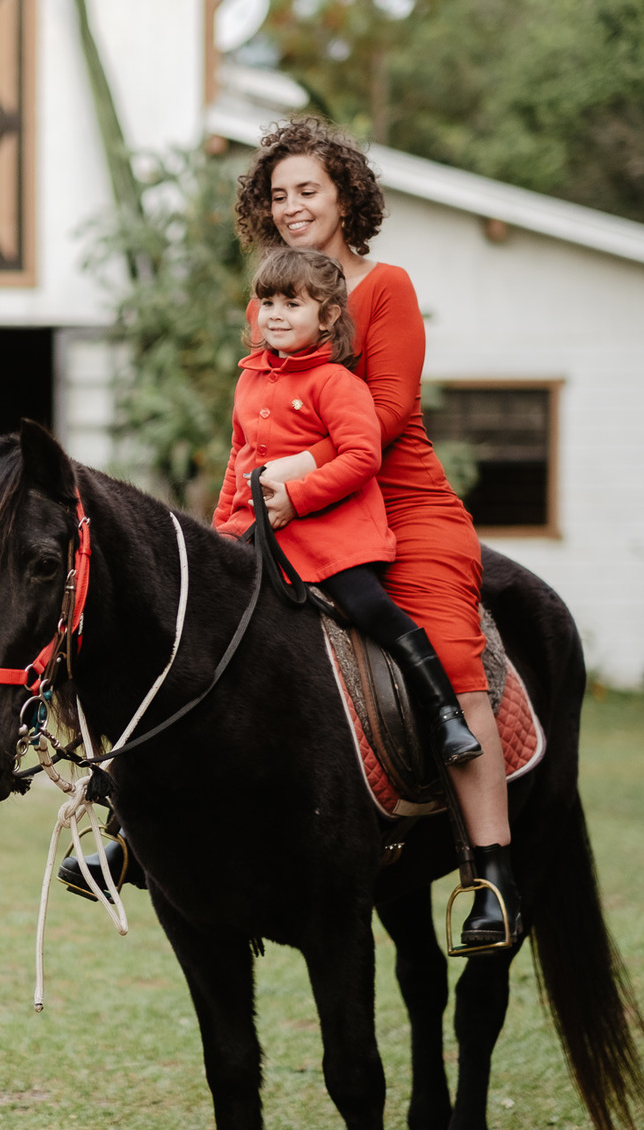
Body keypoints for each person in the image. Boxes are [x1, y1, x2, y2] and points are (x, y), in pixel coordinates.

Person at [64, 118, 520, 953]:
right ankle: (137, 829)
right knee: (185, 635)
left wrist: (295, 482)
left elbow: (383, 417)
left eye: (309, 189)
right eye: (278, 196)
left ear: (346, 196)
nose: (293, 206)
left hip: (397, 499)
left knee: (450, 653)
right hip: (281, 508)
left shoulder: (386, 290)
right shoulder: (274, 297)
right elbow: (255, 424)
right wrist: (234, 519)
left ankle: (490, 870)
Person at [212, 243, 481, 769]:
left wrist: (298, 496)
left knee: (366, 606)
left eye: (293, 304)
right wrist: (222, 529)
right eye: (268, 303)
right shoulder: (248, 378)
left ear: (328, 315)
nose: (276, 314)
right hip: (259, 534)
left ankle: (444, 712)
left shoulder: (338, 383)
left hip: (331, 535)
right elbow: (236, 459)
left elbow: (362, 458)